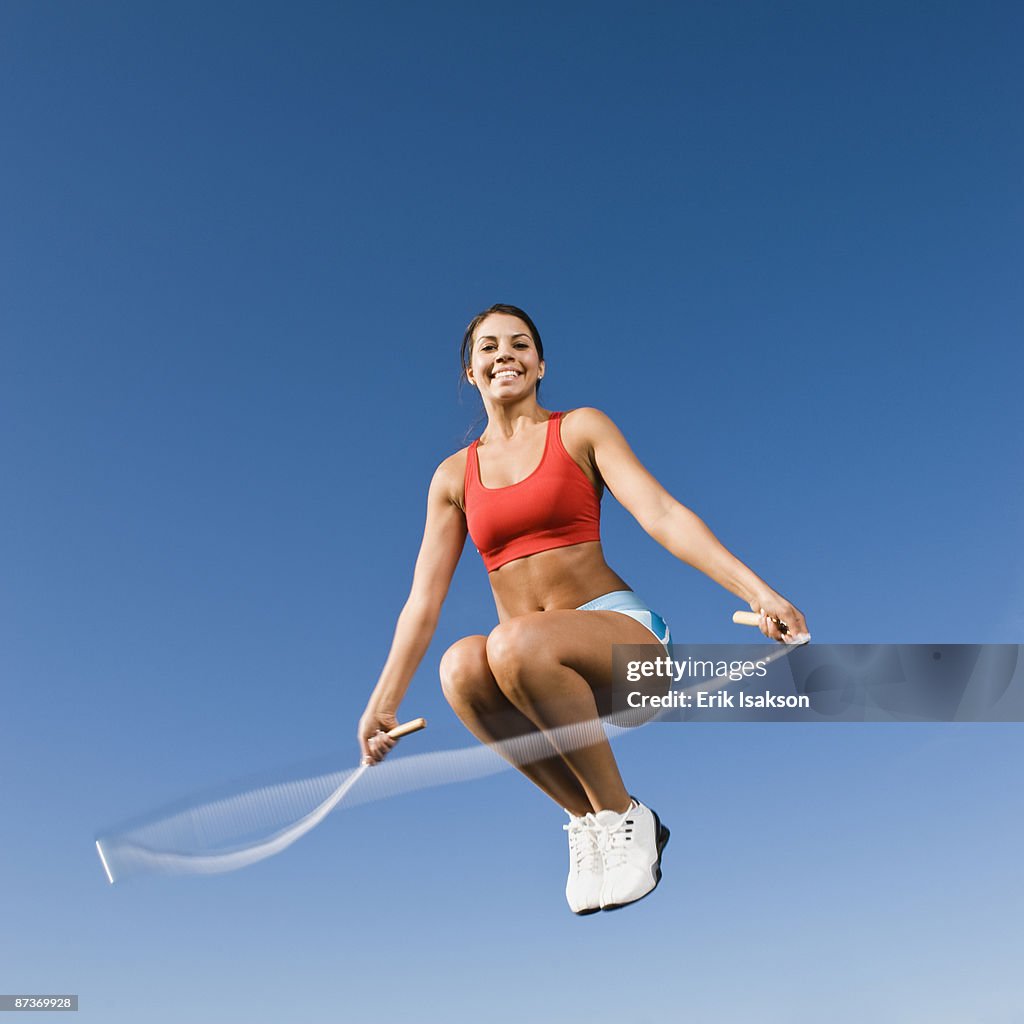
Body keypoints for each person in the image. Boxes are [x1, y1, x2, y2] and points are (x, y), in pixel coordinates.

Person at [357, 303, 808, 914]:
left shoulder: (579, 430)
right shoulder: (452, 478)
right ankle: (591, 823)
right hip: (536, 674)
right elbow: (423, 600)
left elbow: (663, 515)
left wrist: (758, 593)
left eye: (520, 344)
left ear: (541, 364)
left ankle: (626, 816)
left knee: (513, 642)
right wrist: (382, 704)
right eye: (488, 348)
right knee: (461, 666)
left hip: (630, 652)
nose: (504, 356)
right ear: (470, 372)